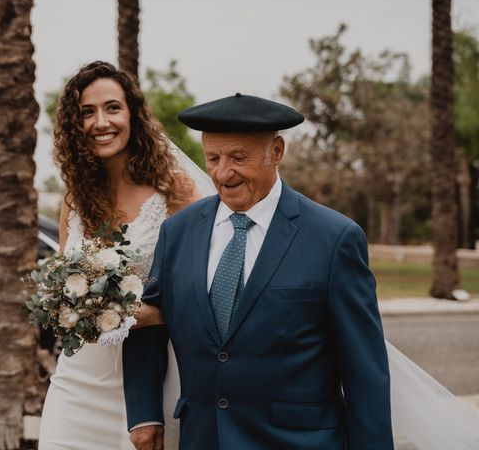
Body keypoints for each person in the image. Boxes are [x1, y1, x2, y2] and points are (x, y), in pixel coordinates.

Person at [123, 93, 394, 449]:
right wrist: (144, 413)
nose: (222, 173)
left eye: (238, 157)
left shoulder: (335, 238)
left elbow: (364, 369)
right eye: (214, 158)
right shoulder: (178, 231)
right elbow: (147, 323)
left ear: (277, 151)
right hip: (203, 438)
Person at [38, 61, 199, 450]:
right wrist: (67, 304)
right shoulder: (75, 197)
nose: (100, 122)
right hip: (77, 379)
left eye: (113, 107)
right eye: (87, 112)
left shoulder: (175, 191)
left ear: (133, 115)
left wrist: (134, 314)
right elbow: (64, 281)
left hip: (149, 382)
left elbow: (199, 294)